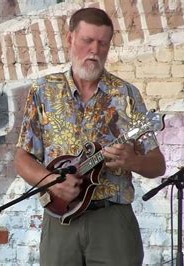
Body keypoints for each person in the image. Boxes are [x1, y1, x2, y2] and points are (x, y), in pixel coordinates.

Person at [14, 7, 166, 266]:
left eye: (103, 43)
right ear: (70, 38)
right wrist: (51, 181)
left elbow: (158, 164)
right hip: (60, 219)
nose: (95, 50)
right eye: (87, 40)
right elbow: (22, 159)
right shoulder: (43, 91)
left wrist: (134, 162)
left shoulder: (126, 94)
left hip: (112, 222)